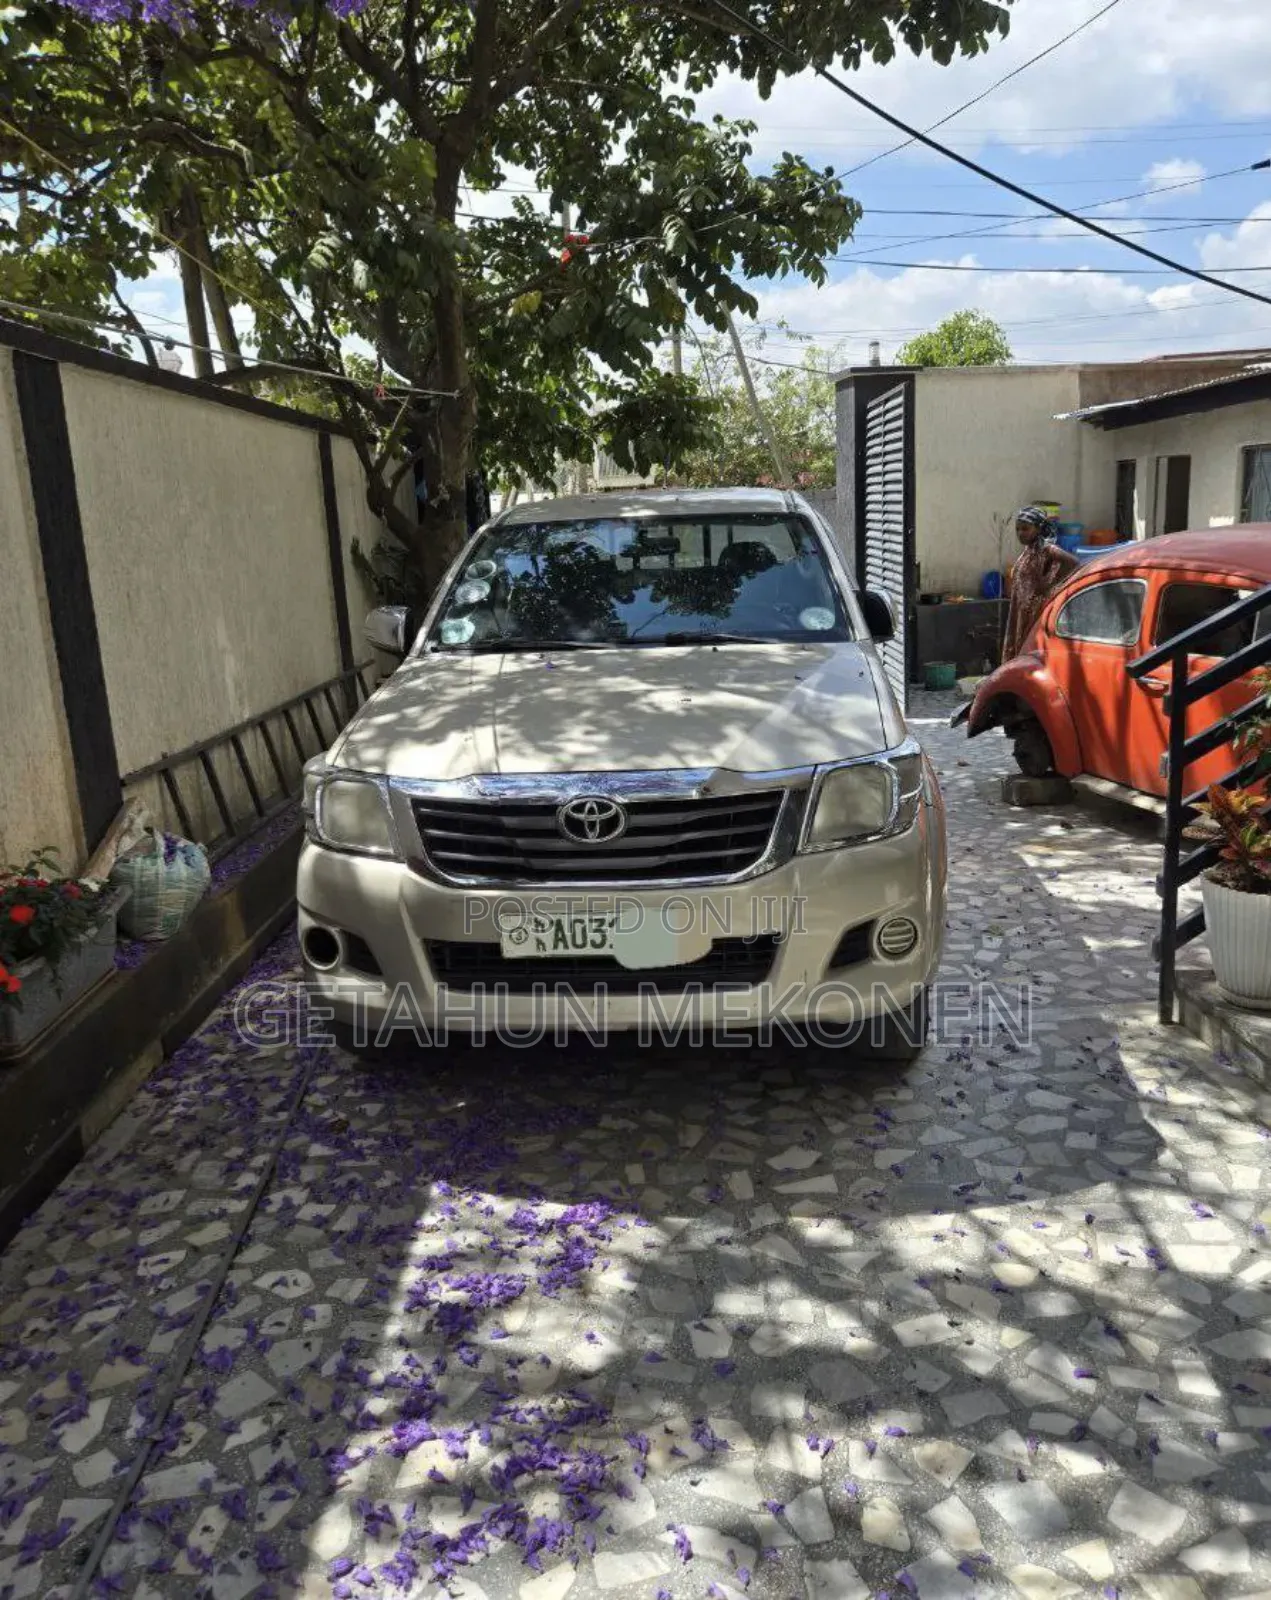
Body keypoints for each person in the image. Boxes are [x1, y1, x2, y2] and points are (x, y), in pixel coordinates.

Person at [1001, 506, 1080, 661]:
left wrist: (1048, 586)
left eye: (1025, 529)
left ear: (1038, 529)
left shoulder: (1047, 549)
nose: (1020, 533)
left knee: (1030, 651)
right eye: (1018, 529)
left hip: (1034, 612)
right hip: (1020, 611)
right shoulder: (1029, 550)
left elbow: (1073, 563)